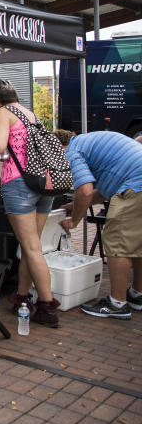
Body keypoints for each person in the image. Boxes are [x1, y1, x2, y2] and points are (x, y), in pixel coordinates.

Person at [0, 79, 59, 328]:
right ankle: (22, 297)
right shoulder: (30, 114)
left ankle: (47, 306)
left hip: (19, 183)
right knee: (31, 248)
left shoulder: (4, 112)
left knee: (32, 249)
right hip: (43, 184)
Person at [59, 131, 142, 319]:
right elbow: (103, 193)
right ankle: (137, 295)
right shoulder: (89, 142)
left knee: (117, 242)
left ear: (59, 147)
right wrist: (76, 206)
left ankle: (117, 304)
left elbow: (85, 191)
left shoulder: (73, 151)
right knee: (137, 242)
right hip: (138, 182)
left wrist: (74, 221)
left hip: (135, 185)